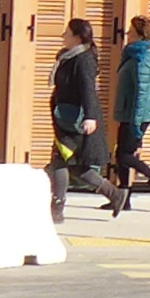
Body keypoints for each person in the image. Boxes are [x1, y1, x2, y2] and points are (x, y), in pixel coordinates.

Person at [107, 14, 150, 213]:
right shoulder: (133, 55)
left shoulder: (143, 59)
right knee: (122, 154)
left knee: (125, 155)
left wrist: (136, 123)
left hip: (136, 115)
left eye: (130, 31)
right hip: (128, 114)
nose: (127, 34)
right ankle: (124, 198)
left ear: (139, 34)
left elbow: (142, 94)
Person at [45, 18, 103, 224]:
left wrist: (90, 116)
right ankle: (114, 194)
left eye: (67, 33)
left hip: (74, 120)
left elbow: (88, 90)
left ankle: (57, 208)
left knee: (60, 161)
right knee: (74, 166)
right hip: (64, 117)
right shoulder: (67, 57)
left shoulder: (83, 59)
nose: (63, 36)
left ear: (77, 37)